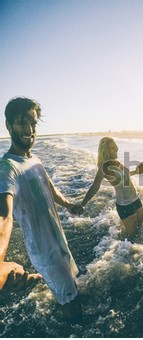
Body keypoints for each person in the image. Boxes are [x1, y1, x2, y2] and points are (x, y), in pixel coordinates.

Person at [0, 97, 83, 320]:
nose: (29, 129)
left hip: (59, 241)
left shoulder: (35, 160)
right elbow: (5, 216)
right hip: (45, 252)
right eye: (21, 122)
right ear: (8, 125)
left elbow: (49, 188)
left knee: (72, 288)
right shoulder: (7, 168)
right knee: (72, 308)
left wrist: (68, 205)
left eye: (33, 123)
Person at [81, 137, 143, 236]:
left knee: (140, 230)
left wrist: (136, 172)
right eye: (112, 148)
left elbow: (126, 175)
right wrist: (82, 204)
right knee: (133, 236)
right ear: (105, 150)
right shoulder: (103, 167)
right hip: (125, 205)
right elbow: (95, 186)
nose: (116, 149)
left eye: (115, 146)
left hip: (136, 200)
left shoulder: (116, 162)